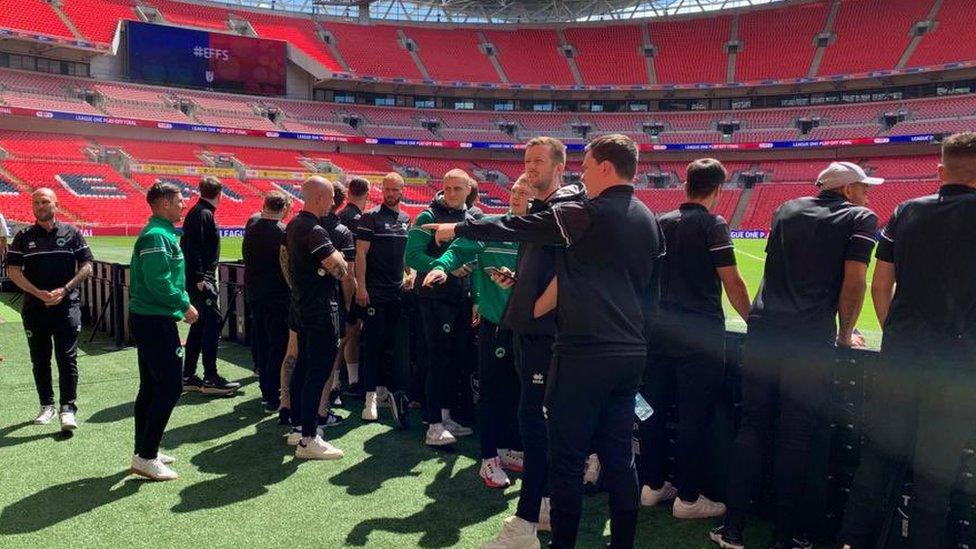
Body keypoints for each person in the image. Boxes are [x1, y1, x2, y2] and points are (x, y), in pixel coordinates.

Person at [427, 134, 666, 549]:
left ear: (606, 168)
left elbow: (517, 224)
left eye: (588, 166)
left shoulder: (586, 213)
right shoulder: (649, 219)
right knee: (620, 459)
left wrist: (460, 226)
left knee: (567, 462)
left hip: (583, 353)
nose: (583, 174)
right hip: (630, 354)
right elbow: (652, 296)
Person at [709, 161, 881, 549]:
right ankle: (785, 536)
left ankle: (733, 529)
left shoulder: (785, 208)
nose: (868, 193)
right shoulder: (860, 216)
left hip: (764, 332)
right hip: (808, 338)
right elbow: (854, 283)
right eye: (864, 186)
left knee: (751, 428)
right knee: (797, 437)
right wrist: (846, 333)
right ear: (848, 189)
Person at [838, 133, 976, 549]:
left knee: (876, 461)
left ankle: (850, 541)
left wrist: (895, 332)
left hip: (900, 358)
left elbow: (882, 286)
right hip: (957, 367)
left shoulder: (905, 211)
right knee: (934, 477)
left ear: (940, 170)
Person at [481, 136, 581, 548]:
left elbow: (567, 276)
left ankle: (526, 524)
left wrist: (535, 307)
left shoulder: (564, 211)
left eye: (538, 161)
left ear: (560, 166)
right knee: (533, 422)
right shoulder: (543, 211)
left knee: (537, 426)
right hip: (531, 331)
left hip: (545, 336)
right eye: (526, 161)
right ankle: (541, 505)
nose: (529, 167)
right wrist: (520, 287)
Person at [639, 159, 751, 519]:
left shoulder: (660, 221)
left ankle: (652, 485)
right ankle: (687, 498)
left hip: (657, 334)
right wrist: (756, 322)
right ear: (718, 190)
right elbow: (732, 282)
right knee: (693, 418)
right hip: (699, 338)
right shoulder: (713, 223)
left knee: (651, 412)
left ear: (685, 184)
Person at [423, 175, 535, 490]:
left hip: (528, 330)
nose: (515, 195)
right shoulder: (490, 226)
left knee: (519, 391)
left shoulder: (540, 232)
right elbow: (457, 251)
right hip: (494, 325)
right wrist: (440, 267)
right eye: (513, 189)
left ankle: (508, 448)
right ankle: (488, 460)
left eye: (523, 192)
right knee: (492, 392)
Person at [127, 182, 198, 480]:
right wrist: (184, 304)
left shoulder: (162, 232)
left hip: (150, 318)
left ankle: (145, 450)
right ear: (165, 203)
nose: (183, 205)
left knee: (151, 387)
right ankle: (146, 456)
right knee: (170, 387)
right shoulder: (157, 235)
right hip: (155, 320)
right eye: (180, 200)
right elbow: (158, 280)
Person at [6, 188, 93, 431]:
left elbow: (87, 266)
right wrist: (38, 293)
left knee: (67, 358)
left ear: (56, 204)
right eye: (36, 202)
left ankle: (68, 408)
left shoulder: (72, 233)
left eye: (45, 201)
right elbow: (13, 271)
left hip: (67, 307)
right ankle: (47, 406)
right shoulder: (23, 236)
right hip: (35, 308)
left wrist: (64, 290)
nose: (40, 205)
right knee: (40, 360)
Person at [405, 169, 477, 447]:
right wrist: (445, 268)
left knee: (454, 358)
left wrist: (477, 296)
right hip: (434, 298)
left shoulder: (473, 217)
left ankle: (445, 416)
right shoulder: (427, 217)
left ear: (468, 190)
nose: (451, 193)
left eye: (457, 188)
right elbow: (412, 256)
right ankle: (433, 423)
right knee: (437, 358)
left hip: (462, 298)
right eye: (447, 187)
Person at [283, 175, 347, 460]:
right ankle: (309, 438)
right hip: (321, 309)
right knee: (317, 373)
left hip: (302, 306)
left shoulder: (295, 224)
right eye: (331, 197)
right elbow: (340, 267)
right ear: (320, 198)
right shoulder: (315, 230)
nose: (333, 203)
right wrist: (334, 266)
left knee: (304, 367)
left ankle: (299, 427)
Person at [356, 172, 412, 425]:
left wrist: (410, 274)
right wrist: (361, 287)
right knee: (372, 345)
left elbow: (405, 256)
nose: (390, 194)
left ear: (403, 190)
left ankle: (391, 394)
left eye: (394, 190)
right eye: (386, 189)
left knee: (396, 346)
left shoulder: (405, 218)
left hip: (398, 293)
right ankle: (370, 397)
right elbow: (361, 255)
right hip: (375, 293)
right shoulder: (370, 218)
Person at [181, 176, 239, 395]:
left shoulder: (199, 213)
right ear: (220, 194)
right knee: (212, 322)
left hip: (199, 279)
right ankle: (210, 378)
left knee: (200, 323)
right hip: (201, 280)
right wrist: (201, 279)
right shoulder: (203, 214)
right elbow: (193, 249)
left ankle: (188, 375)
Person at [243, 191, 291, 413]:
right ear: (284, 209)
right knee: (277, 345)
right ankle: (273, 394)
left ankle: (266, 391)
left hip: (255, 293)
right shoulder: (283, 232)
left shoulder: (252, 225)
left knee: (262, 342)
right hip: (278, 296)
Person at [314, 181, 356, 427]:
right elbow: (347, 275)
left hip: (303, 301)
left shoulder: (303, 225)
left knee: (300, 356)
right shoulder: (340, 231)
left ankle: (292, 410)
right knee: (330, 352)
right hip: (332, 301)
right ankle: (323, 406)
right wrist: (350, 305)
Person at [339, 176, 370, 397]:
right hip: (350, 282)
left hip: (336, 282)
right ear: (367, 194)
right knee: (351, 332)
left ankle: (344, 381)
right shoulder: (358, 219)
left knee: (346, 332)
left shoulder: (340, 215)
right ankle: (349, 381)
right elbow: (359, 257)